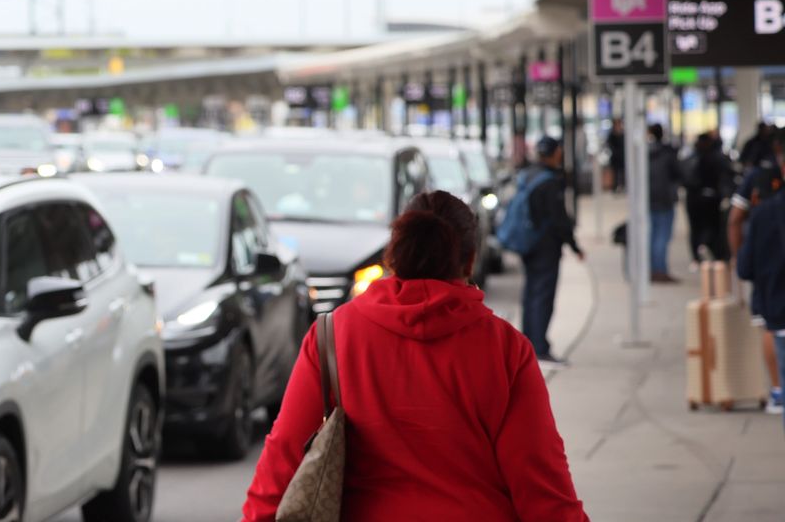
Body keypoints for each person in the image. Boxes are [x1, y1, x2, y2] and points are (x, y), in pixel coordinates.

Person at [242, 190, 587, 522]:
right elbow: (543, 490)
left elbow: (282, 460)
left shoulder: (333, 336)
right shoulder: (506, 350)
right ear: (469, 260)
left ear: (394, 256)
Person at [514, 136, 584, 366]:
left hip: (527, 244)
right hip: (545, 247)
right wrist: (574, 246)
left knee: (530, 294)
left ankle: (527, 342)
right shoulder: (550, 182)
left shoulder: (527, 175)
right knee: (543, 295)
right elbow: (559, 220)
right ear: (555, 153)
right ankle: (539, 347)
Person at [729, 137, 784, 415]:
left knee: (772, 327)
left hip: (769, 265)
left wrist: (739, 257)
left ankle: (777, 390)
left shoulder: (757, 180)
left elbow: (735, 218)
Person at [684, 131, 731, 263]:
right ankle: (709, 247)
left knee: (696, 227)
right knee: (712, 226)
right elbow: (726, 175)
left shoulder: (690, 158)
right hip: (711, 198)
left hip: (693, 198)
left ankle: (698, 254)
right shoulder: (717, 157)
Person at [646, 123, 683, 283]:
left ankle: (652, 268)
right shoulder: (668, 153)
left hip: (648, 198)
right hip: (665, 199)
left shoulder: (643, 153)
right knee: (662, 236)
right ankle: (659, 270)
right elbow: (678, 173)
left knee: (653, 235)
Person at [605, 120, 626, 193]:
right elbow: (609, 145)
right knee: (615, 173)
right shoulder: (612, 134)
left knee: (622, 173)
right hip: (615, 157)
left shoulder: (623, 134)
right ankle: (615, 187)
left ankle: (623, 186)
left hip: (622, 157)